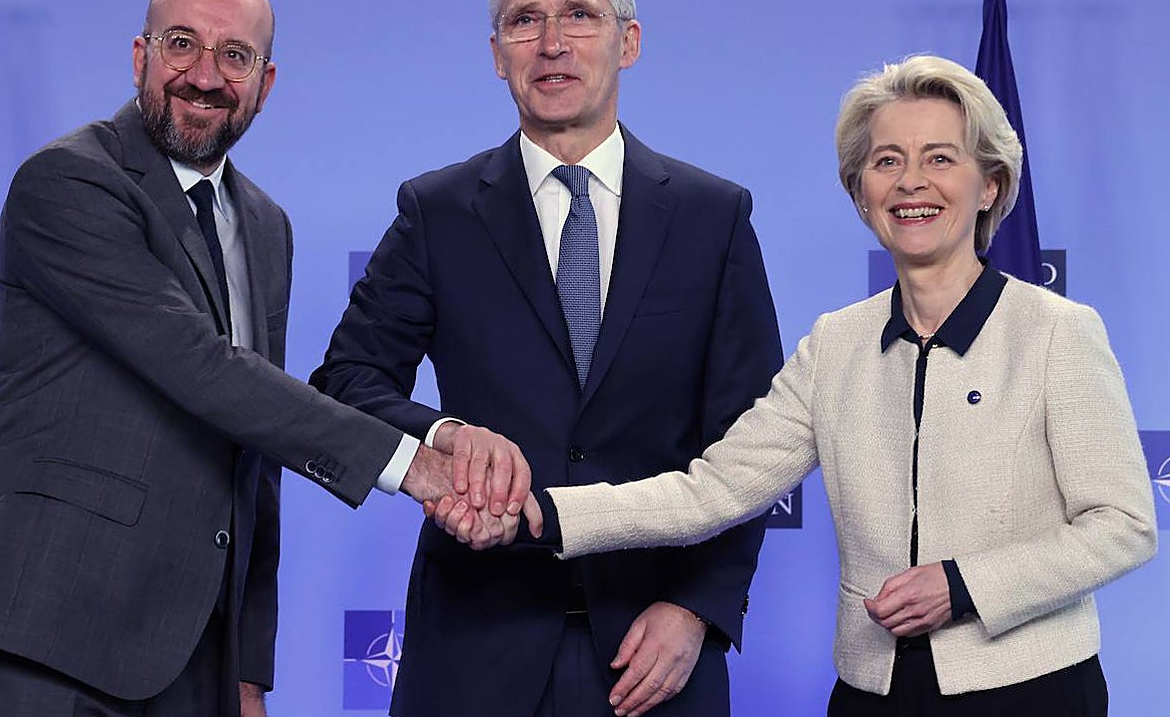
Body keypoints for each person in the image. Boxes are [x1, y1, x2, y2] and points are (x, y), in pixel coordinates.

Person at [456, 54, 1157, 714]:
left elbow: (1122, 527)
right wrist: (542, 514)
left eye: (940, 159)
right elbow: (712, 491)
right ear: (861, 192)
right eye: (887, 162)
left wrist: (964, 586)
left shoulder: (1057, 331)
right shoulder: (835, 345)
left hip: (1031, 692)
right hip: (870, 694)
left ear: (991, 184)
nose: (911, 182)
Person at [0, 0, 534, 717]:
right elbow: (202, 368)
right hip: (49, 640)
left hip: (189, 658)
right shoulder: (70, 183)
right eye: (182, 44)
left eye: (234, 56)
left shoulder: (265, 226)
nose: (205, 76)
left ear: (265, 84)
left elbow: (255, 446)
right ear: (140, 56)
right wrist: (419, 467)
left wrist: (246, 665)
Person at [311, 0, 782, 717]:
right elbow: (345, 384)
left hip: (653, 656)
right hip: (474, 649)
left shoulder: (714, 217)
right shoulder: (437, 212)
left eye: (580, 17)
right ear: (497, 52)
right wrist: (445, 437)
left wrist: (699, 608)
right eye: (525, 21)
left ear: (627, 42)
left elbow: (754, 443)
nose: (553, 44)